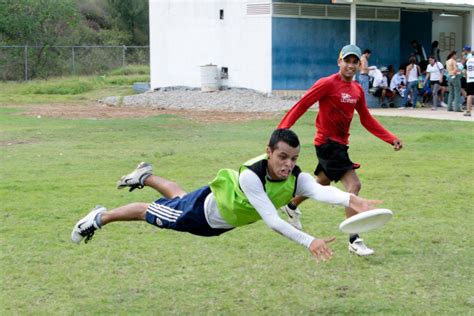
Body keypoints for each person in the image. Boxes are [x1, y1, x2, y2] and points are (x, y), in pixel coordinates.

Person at [71, 129, 382, 263]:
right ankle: (99, 218)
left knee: (176, 196)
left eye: (293, 158)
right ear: (269, 152)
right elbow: (273, 221)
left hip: (219, 220)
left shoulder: (296, 176)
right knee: (151, 212)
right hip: (202, 213)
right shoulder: (252, 176)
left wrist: (353, 200)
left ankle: (146, 175)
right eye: (282, 157)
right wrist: (308, 240)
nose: (288, 164)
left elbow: (321, 191)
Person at [276, 44, 403, 256]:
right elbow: (302, 104)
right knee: (354, 185)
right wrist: (281, 131)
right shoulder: (326, 84)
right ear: (339, 62)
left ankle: (291, 205)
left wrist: (390, 138)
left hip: (340, 145)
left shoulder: (357, 90)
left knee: (322, 183)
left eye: (356, 62)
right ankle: (355, 239)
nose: (351, 66)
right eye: (347, 61)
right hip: (327, 144)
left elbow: (366, 119)